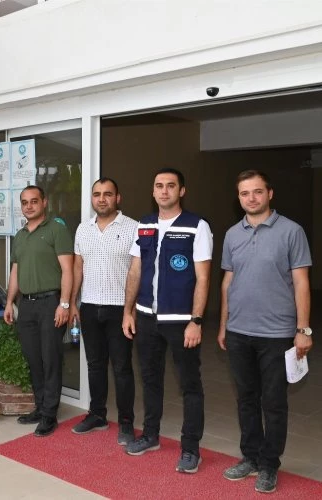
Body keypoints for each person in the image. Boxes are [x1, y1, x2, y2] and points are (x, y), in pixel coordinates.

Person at [218, 170, 312, 494]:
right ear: (239, 197)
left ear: (269, 193)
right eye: (245, 193)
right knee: (246, 398)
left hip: (277, 334)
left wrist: (303, 329)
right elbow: (228, 281)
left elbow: (301, 282)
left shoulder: (291, 231)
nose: (251, 198)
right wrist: (223, 324)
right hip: (238, 331)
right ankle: (251, 457)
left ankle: (270, 464)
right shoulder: (232, 234)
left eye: (257, 191)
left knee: (273, 402)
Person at [122, 167, 212, 474]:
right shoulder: (144, 224)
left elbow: (203, 278)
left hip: (181, 321)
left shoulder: (196, 226)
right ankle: (150, 435)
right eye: (159, 185)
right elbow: (135, 270)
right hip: (146, 318)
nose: (164, 191)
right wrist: (128, 311)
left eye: (170, 186)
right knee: (150, 380)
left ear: (181, 191)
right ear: (153, 191)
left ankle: (191, 448)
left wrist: (196, 320)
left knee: (190, 385)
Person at [69, 178, 137, 444]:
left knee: (122, 368)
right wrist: (73, 303)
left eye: (108, 194)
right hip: (89, 307)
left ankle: (126, 423)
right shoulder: (83, 229)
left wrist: (131, 310)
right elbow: (78, 268)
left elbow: (138, 272)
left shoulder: (133, 228)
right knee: (95, 365)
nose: (102, 199)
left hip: (120, 309)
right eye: (97, 194)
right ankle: (97, 414)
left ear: (117, 198)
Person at [4, 185, 73, 438]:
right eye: (25, 202)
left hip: (50, 302)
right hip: (27, 305)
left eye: (34, 201)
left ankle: (49, 415)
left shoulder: (57, 229)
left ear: (44, 202)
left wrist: (64, 304)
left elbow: (68, 270)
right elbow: (15, 271)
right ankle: (40, 407)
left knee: (50, 359)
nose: (29, 206)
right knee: (33, 358)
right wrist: (9, 302)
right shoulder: (20, 235)